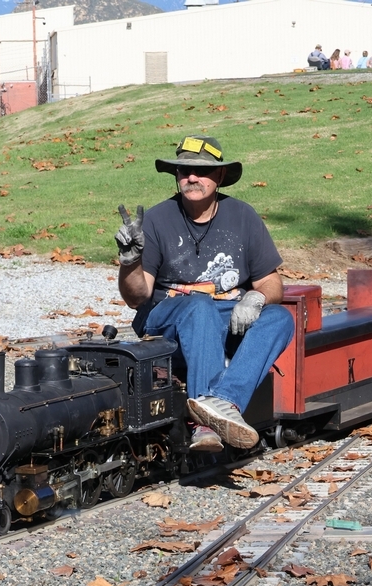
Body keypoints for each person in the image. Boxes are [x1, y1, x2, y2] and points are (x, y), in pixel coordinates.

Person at [115, 136, 294, 452]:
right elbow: (137, 298)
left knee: (280, 317)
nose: (192, 177)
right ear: (176, 175)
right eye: (184, 171)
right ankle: (204, 426)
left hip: (226, 319)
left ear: (220, 175)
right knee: (199, 306)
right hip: (167, 324)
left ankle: (224, 402)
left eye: (202, 171)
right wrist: (130, 262)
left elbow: (271, 282)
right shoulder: (156, 219)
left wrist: (256, 299)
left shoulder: (243, 216)